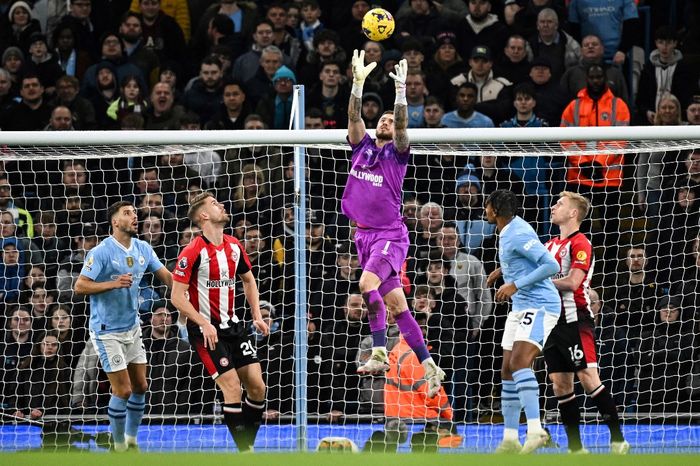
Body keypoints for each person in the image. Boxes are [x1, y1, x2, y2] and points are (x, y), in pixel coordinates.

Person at [344, 49, 445, 397]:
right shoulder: (361, 148)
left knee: (365, 283)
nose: (386, 123)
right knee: (399, 308)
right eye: (382, 120)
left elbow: (402, 125)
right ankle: (431, 366)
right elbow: (354, 117)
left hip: (390, 235)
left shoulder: (396, 153)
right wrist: (357, 85)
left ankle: (378, 352)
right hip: (364, 237)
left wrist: (400, 92)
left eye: (390, 120)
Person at [170, 192, 270, 452]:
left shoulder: (234, 245)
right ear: (204, 216)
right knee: (232, 388)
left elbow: (248, 280)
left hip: (234, 326)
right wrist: (203, 322)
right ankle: (246, 452)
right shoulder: (192, 252)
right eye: (214, 204)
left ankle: (246, 444)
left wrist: (257, 315)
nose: (222, 205)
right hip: (206, 332)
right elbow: (176, 297)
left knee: (258, 388)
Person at [74, 201, 173, 452]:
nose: (134, 217)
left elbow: (169, 278)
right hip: (106, 331)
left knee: (141, 386)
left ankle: (131, 441)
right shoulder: (101, 251)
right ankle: (118, 447)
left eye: (135, 213)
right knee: (123, 390)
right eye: (128, 213)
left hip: (132, 327)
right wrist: (112, 283)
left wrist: (192, 290)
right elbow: (80, 286)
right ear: (115, 222)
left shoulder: (143, 248)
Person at [543, 191, 629, 454]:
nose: (554, 206)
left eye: (560, 204)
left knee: (588, 378)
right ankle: (576, 449)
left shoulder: (581, 243)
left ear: (573, 213)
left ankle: (618, 440)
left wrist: (536, 282)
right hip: (551, 323)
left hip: (575, 321)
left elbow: (572, 282)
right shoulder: (548, 245)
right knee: (560, 383)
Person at [484, 189, 560, 454]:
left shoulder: (518, 233)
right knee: (506, 369)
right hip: (521, 307)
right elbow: (522, 259)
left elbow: (551, 265)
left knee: (519, 363)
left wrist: (515, 284)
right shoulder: (508, 231)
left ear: (494, 209)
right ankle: (509, 439)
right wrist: (503, 270)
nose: (485, 210)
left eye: (487, 205)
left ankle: (536, 430)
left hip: (540, 305)